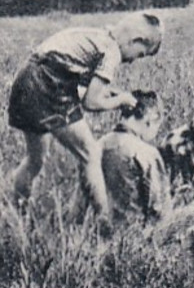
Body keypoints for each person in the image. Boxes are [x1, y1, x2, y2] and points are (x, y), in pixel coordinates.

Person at [8, 12, 163, 221]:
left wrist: (110, 93)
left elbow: (77, 82)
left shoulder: (99, 36)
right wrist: (121, 100)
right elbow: (91, 102)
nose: (134, 60)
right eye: (141, 54)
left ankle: (15, 213)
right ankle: (103, 219)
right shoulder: (113, 52)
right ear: (136, 40)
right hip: (48, 86)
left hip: (27, 79)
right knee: (90, 153)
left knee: (36, 159)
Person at [101, 90, 171, 224]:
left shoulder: (96, 146)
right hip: (133, 235)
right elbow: (160, 210)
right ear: (150, 120)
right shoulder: (147, 153)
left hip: (92, 232)